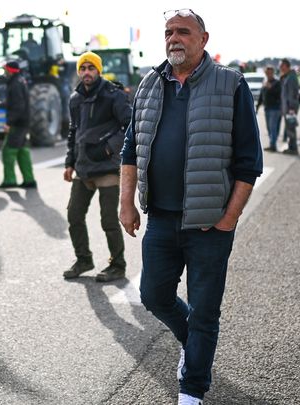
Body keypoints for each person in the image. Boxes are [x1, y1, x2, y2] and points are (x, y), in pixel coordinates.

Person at [119, 9, 262, 405]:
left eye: (183, 31)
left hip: (209, 225)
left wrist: (228, 219)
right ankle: (194, 344)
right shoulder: (149, 83)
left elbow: (249, 161)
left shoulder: (230, 84)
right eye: (168, 32)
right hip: (161, 220)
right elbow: (131, 149)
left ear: (204, 39)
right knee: (153, 295)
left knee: (204, 312)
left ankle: (192, 389)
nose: (174, 38)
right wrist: (126, 203)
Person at [62, 51, 131, 282]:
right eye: (83, 68)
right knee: (74, 216)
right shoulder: (75, 98)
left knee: (108, 220)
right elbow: (74, 132)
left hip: (107, 168)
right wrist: (69, 163)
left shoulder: (114, 95)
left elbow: (130, 126)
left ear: (98, 70)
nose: (87, 73)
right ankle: (83, 260)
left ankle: (117, 265)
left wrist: (110, 148)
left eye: (91, 68)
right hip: (83, 168)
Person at [0, 61, 36, 189]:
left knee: (8, 151)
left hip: (18, 123)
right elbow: (13, 102)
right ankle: (29, 180)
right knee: (22, 151)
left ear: (10, 70)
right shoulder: (19, 81)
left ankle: (10, 180)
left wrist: (9, 123)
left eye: (5, 70)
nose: (4, 72)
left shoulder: (15, 84)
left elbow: (18, 106)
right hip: (23, 121)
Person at [256, 65, 282, 152]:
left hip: (275, 108)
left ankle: (273, 145)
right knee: (269, 128)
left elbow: (279, 94)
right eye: (267, 72)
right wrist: (257, 106)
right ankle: (272, 142)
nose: (268, 74)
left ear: (273, 73)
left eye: (270, 72)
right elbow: (261, 95)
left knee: (273, 127)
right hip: (267, 108)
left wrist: (270, 88)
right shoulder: (265, 82)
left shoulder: (277, 82)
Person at [279, 58, 299, 154]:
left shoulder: (291, 77)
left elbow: (292, 94)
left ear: (287, 66)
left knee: (291, 128)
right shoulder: (287, 76)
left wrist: (291, 108)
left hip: (290, 108)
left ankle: (293, 148)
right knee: (289, 128)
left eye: (282, 66)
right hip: (287, 107)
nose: (280, 68)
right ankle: (291, 147)